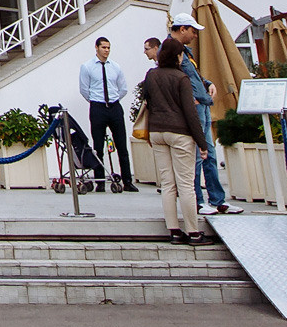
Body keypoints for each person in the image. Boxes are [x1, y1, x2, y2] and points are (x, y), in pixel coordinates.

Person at [138, 40, 210, 242]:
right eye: (181, 55)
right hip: (180, 133)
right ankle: (194, 232)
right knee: (186, 184)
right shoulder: (181, 78)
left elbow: (147, 102)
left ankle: (174, 230)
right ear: (177, 56)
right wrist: (202, 143)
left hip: (157, 132)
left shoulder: (151, 75)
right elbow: (190, 113)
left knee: (168, 183)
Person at [168, 14, 232, 216]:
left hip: (201, 104)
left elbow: (192, 75)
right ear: (182, 29)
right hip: (194, 107)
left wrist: (207, 83)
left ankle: (217, 200)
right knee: (196, 155)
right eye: (193, 31)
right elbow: (172, 77)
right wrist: (187, 98)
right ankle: (198, 200)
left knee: (208, 153)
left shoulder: (186, 51)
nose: (195, 35)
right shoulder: (171, 50)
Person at [75, 36, 137, 192]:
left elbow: (122, 88)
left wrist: (113, 101)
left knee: (121, 145)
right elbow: (84, 89)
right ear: (96, 48)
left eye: (108, 48)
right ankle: (100, 181)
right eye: (104, 47)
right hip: (98, 107)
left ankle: (127, 180)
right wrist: (97, 101)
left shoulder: (115, 66)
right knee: (98, 146)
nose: (106, 51)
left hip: (114, 107)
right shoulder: (87, 66)